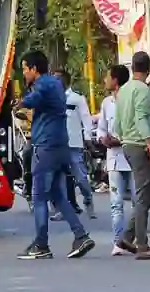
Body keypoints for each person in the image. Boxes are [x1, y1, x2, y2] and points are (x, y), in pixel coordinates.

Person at [15, 50, 95, 260]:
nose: (23, 73)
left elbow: (34, 99)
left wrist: (19, 103)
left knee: (39, 197)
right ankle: (81, 235)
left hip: (46, 146)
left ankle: (41, 244)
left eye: (25, 69)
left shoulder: (44, 84)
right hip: (60, 144)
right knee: (57, 196)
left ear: (34, 69)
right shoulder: (56, 84)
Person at [113, 51, 150, 259]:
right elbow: (141, 117)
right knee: (145, 195)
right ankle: (142, 245)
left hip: (127, 143)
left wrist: (124, 136)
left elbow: (117, 122)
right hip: (139, 144)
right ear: (148, 68)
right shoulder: (143, 90)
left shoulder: (124, 90)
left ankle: (127, 236)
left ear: (132, 67)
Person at [97, 64, 135, 255]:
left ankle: (135, 239)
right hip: (113, 159)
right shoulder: (106, 103)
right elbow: (101, 128)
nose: (105, 80)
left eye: (107, 77)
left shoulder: (131, 100)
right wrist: (103, 138)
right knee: (116, 203)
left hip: (133, 158)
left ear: (116, 80)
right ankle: (118, 242)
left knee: (139, 203)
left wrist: (121, 139)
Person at [62, 72, 96, 219]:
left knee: (81, 178)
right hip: (57, 145)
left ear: (65, 80)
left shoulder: (76, 98)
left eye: (58, 78)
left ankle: (88, 200)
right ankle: (63, 209)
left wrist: (88, 138)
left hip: (74, 144)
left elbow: (86, 119)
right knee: (60, 178)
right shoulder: (52, 98)